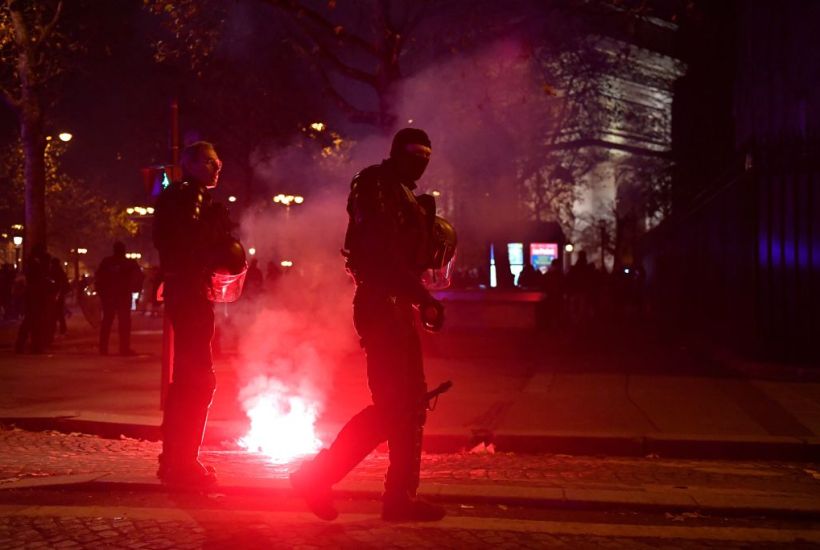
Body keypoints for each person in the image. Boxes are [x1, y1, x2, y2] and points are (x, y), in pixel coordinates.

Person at [290, 128, 448, 522]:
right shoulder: (375, 184)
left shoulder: (402, 192)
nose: (421, 162)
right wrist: (424, 297)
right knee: (395, 405)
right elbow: (382, 253)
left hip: (397, 305)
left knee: (408, 405)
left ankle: (398, 497)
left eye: (426, 156)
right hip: (381, 304)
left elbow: (402, 253)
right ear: (396, 153)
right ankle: (319, 478)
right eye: (414, 154)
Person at [153, 141, 242, 488]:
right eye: (208, 161)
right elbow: (189, 239)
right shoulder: (190, 195)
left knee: (188, 378)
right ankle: (183, 464)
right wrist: (217, 234)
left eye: (218, 162)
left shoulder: (178, 196)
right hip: (190, 290)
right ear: (188, 164)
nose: (216, 167)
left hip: (187, 289)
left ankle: (174, 459)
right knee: (197, 379)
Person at [95, 242, 143, 355]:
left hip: (110, 296)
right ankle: (124, 348)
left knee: (107, 322)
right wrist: (135, 290)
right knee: (124, 323)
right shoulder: (129, 263)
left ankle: (103, 348)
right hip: (123, 295)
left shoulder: (107, 262)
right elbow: (139, 277)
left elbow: (99, 278)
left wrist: (102, 293)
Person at [15, 244, 54, 354]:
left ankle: (28, 345)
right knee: (34, 321)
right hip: (35, 294)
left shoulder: (32, 263)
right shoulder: (35, 264)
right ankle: (33, 345)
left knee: (32, 320)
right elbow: (38, 278)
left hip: (34, 294)